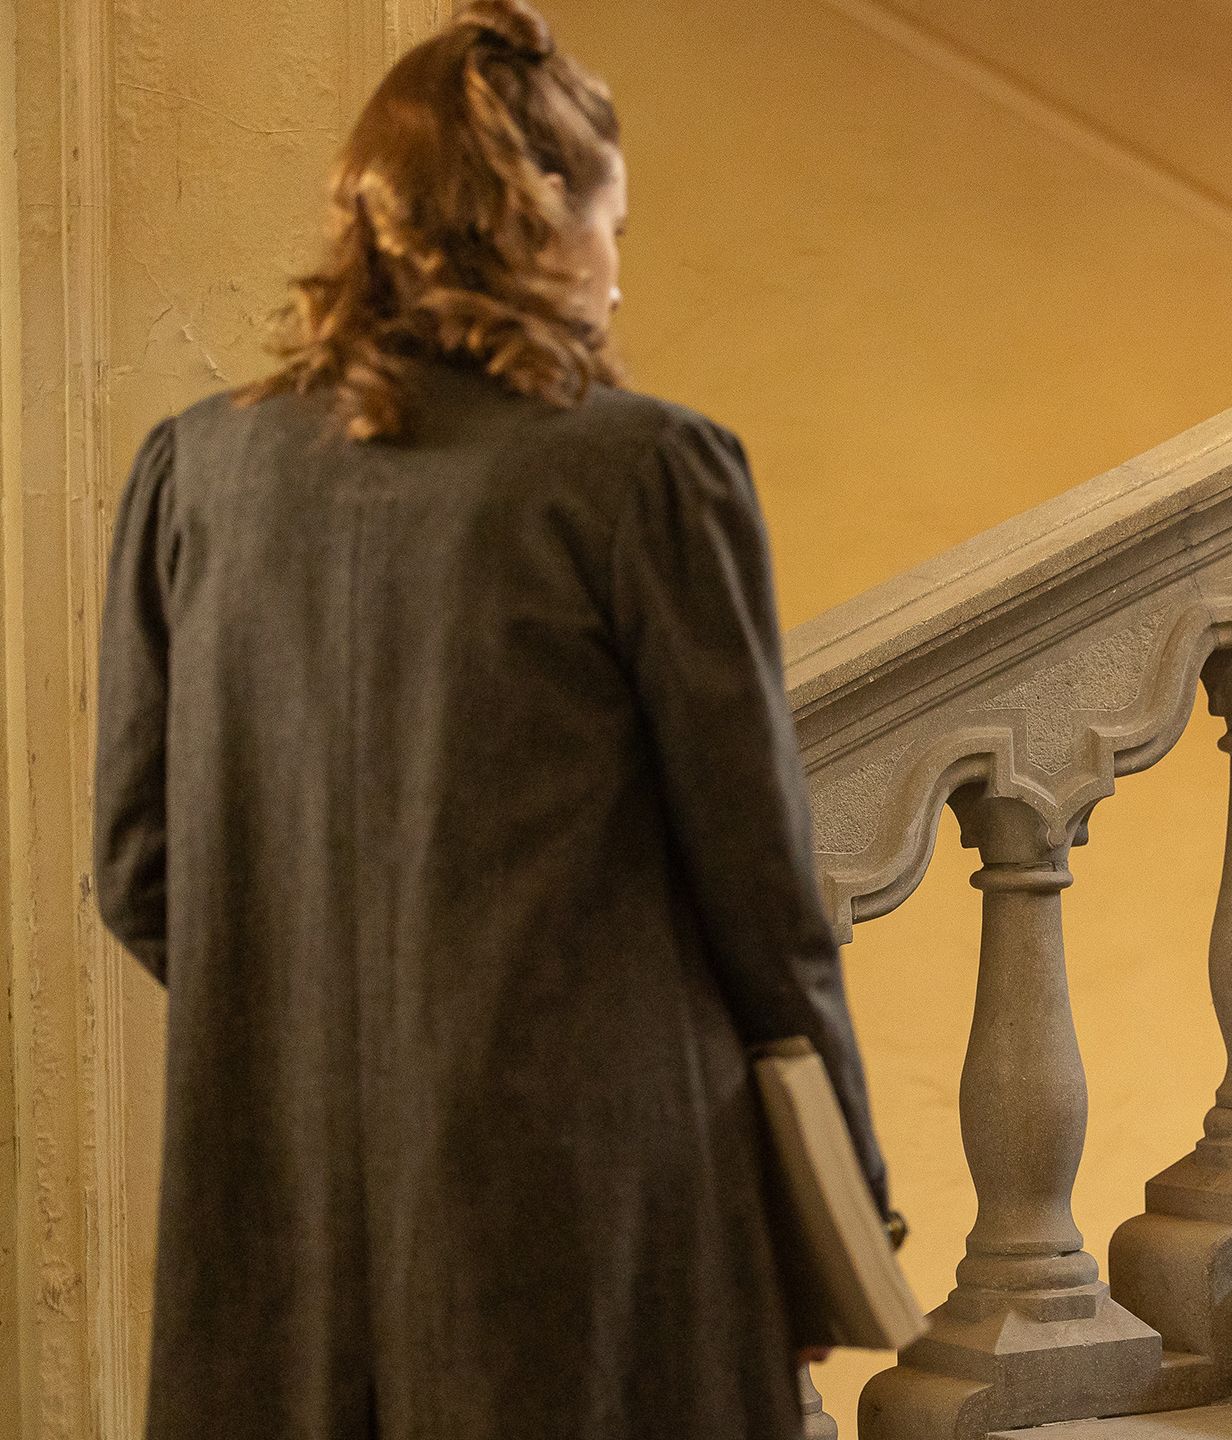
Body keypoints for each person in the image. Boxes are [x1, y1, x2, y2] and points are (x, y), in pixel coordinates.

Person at [89, 4, 888, 1436]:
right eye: (613, 231)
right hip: (595, 1210)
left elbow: (139, 866)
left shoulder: (194, 471)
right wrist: (841, 1199)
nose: (617, 282)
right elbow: (760, 896)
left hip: (277, 1210)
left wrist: (312, 1023)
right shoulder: (646, 471)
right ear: (541, 222)